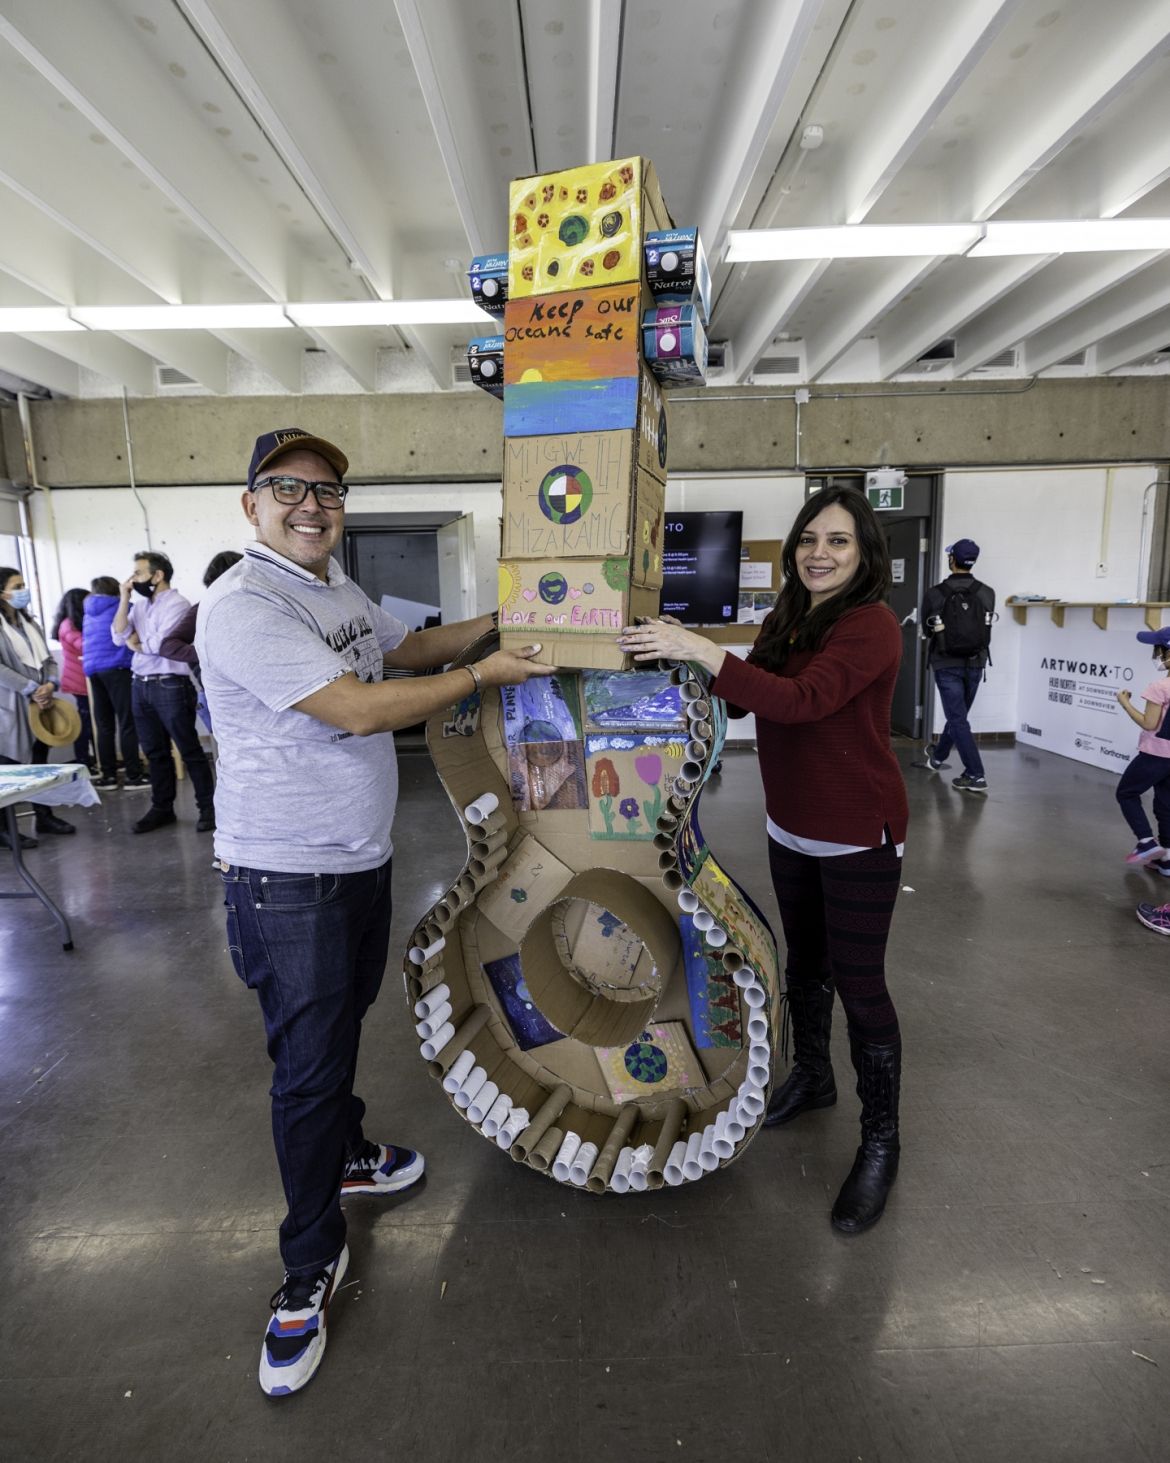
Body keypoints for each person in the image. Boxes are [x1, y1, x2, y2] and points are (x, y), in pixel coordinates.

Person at [196, 426, 553, 1397]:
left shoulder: (335, 589)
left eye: (327, 492)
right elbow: (357, 705)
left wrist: (506, 620)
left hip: (356, 861)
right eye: (289, 489)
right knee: (306, 1069)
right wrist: (484, 679)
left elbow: (411, 646)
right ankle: (306, 1263)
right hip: (286, 875)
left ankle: (350, 1152)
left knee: (341, 1020)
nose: (311, 506)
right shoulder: (244, 604)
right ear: (251, 504)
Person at [617, 487, 908, 1235]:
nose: (820, 553)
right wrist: (680, 658)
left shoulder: (871, 624)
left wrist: (706, 652)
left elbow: (805, 700)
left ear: (864, 553)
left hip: (857, 834)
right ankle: (813, 1077)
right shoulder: (793, 612)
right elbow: (752, 701)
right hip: (793, 827)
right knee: (805, 964)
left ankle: (881, 1139)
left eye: (839, 541)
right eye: (810, 538)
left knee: (862, 984)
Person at [111, 550, 216, 833]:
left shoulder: (178, 604)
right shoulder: (140, 606)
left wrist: (138, 643)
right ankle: (162, 808)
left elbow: (161, 645)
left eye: (138, 574)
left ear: (157, 576)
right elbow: (119, 635)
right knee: (155, 752)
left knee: (189, 749)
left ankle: (208, 809)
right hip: (140, 683)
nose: (133, 580)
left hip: (171, 683)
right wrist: (124, 598)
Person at [0, 566, 76, 846]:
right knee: (8, 768)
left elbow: (49, 661)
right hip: (11, 706)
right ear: (2, 592)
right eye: (17, 586)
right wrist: (31, 688)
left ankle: (44, 816)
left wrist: (50, 685)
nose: (23, 591)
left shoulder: (29, 623)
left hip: (41, 703)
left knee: (38, 763)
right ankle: (5, 829)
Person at [920, 538, 996, 795]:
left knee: (957, 718)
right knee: (959, 716)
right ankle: (938, 757)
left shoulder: (935, 593)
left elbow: (926, 630)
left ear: (952, 560)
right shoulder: (987, 592)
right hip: (975, 662)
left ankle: (976, 774)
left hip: (946, 662)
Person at [158, 551, 243, 733]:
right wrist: (209, 653)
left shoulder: (252, 607)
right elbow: (168, 646)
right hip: (219, 699)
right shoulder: (204, 608)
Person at [83, 576, 148, 791]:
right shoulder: (124, 606)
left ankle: (108, 776)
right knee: (127, 722)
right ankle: (133, 775)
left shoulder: (88, 611)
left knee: (104, 725)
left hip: (93, 670)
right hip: (118, 668)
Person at [1114, 626, 1170, 872]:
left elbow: (1149, 723)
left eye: (1157, 650)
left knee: (1126, 793)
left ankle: (1146, 842)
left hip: (1155, 754)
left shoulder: (1159, 687)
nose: (1155, 655)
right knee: (1166, 805)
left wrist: (1125, 703)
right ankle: (1167, 859)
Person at [51, 588, 94, 772]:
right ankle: (83, 761)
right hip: (79, 681)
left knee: (90, 722)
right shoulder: (68, 625)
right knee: (85, 723)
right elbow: (85, 646)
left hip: (83, 679)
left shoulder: (75, 623)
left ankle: (93, 759)